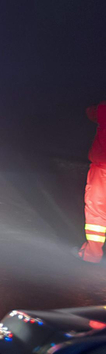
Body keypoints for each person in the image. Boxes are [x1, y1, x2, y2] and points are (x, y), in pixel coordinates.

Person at [78, 101, 106, 263]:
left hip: (102, 168)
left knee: (97, 214)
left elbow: (91, 112)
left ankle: (92, 255)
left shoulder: (103, 109)